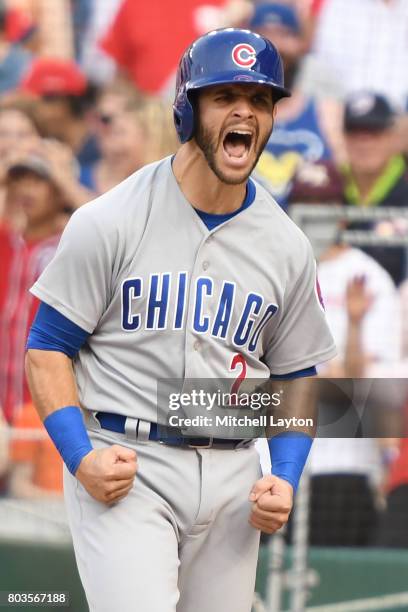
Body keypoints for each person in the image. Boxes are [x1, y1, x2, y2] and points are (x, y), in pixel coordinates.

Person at [25, 29, 336, 612]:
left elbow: (298, 376)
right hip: (127, 464)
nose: (245, 110)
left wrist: (286, 474)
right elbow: (47, 348)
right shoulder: (110, 219)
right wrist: (79, 455)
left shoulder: (287, 246)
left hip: (233, 479)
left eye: (261, 99)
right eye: (224, 96)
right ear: (186, 109)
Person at [290, 91, 408, 285]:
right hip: (330, 300)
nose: (364, 143)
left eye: (374, 133)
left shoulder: (404, 185)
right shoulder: (326, 185)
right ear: (343, 136)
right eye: (354, 132)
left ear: (391, 136)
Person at [249, 2, 344, 208]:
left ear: (303, 43)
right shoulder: (225, 109)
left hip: (309, 231)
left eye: (285, 34)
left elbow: (345, 175)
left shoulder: (326, 108)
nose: (275, 45)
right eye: (262, 35)